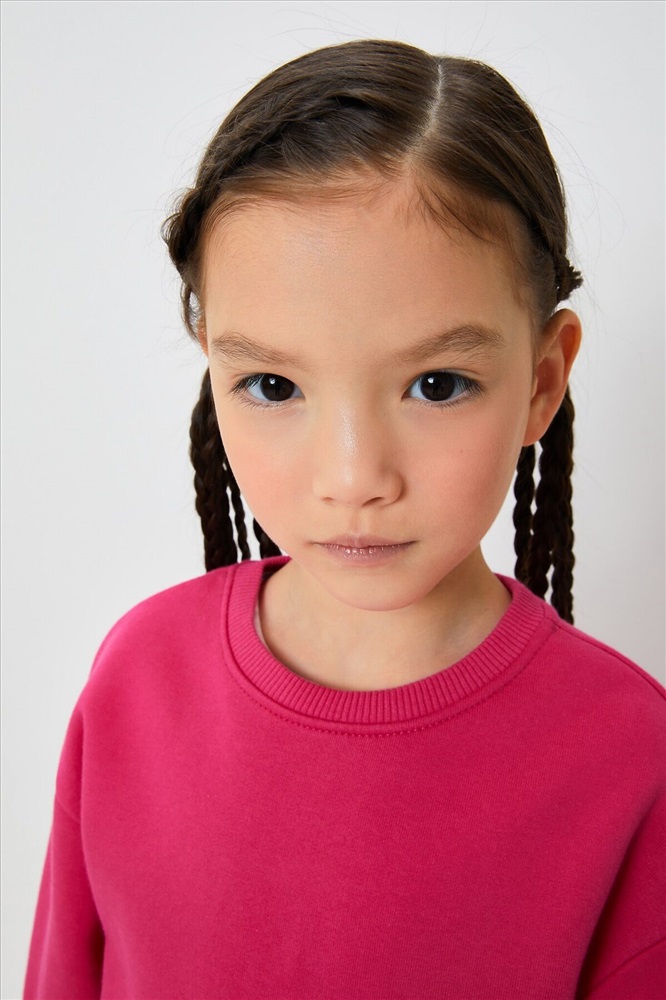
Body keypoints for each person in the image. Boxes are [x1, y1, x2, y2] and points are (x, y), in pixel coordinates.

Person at [24, 39, 665, 999]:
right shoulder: (137, 681)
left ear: (542, 381)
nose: (354, 477)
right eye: (273, 385)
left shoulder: (629, 756)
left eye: (436, 384)